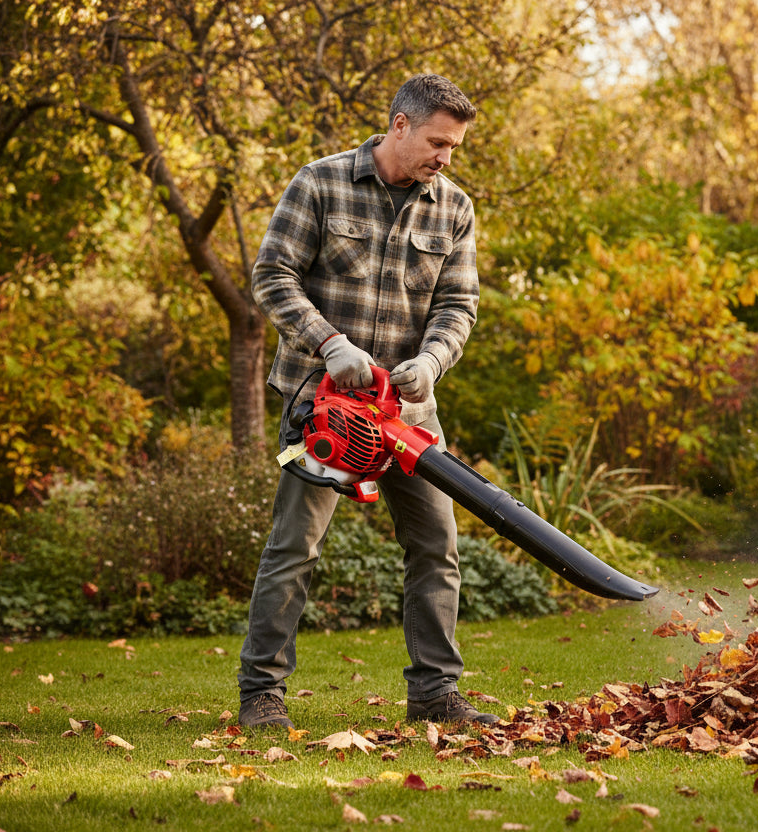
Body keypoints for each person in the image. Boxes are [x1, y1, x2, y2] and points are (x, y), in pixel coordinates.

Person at [239, 74, 498, 728]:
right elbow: (272, 274)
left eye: (455, 147)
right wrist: (329, 343)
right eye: (438, 141)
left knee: (437, 548)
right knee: (295, 546)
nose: (445, 156)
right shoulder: (321, 182)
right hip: (323, 406)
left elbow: (458, 305)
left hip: (409, 415)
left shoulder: (453, 206)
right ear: (400, 124)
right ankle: (262, 694)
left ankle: (436, 694)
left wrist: (432, 363)